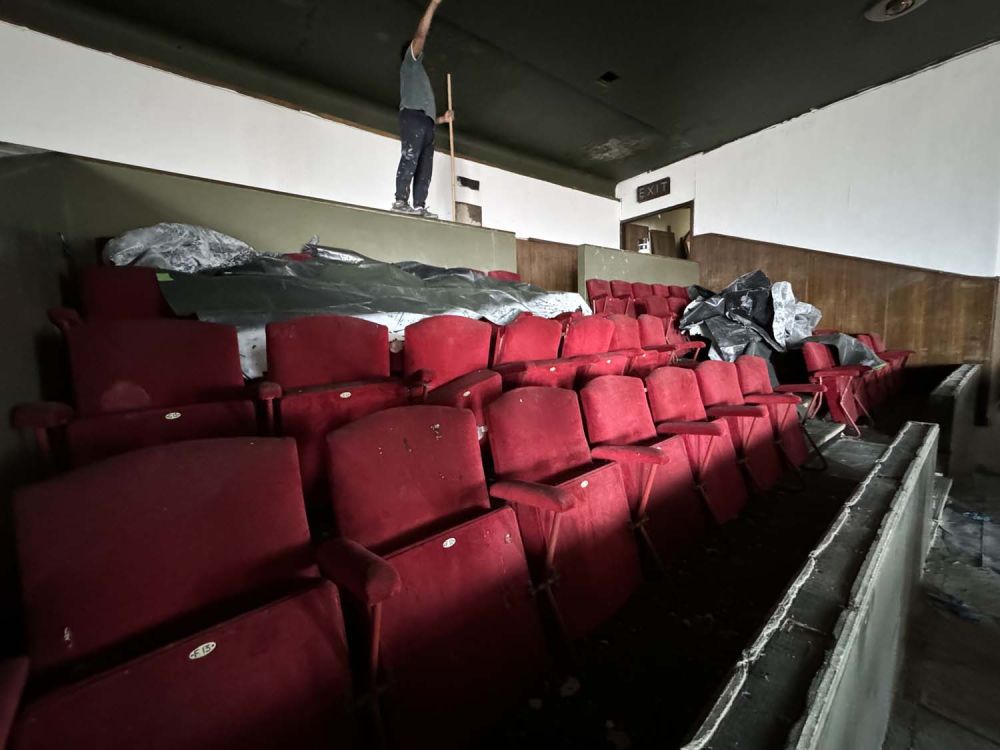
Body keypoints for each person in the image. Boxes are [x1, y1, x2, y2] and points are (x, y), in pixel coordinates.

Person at [392, 0, 454, 219]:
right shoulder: (410, 64)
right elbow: (420, 36)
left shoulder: (420, 77)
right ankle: (400, 201)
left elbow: (428, 116)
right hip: (412, 117)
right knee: (410, 157)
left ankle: (419, 205)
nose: (420, 49)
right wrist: (433, 5)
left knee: (424, 167)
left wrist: (442, 119)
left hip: (426, 122)